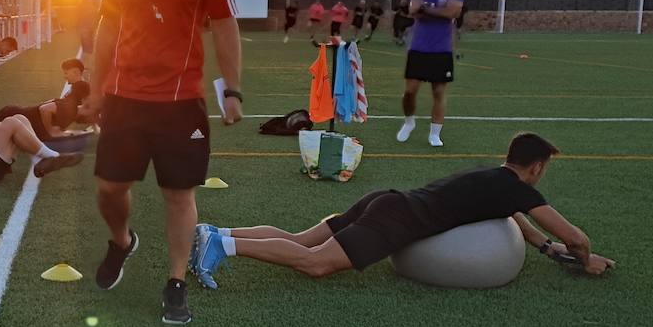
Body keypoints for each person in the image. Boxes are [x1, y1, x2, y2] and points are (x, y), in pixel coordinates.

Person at [88, 0, 243, 325]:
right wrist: (96, 88)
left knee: (179, 194)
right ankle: (122, 241)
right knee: (109, 187)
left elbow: (224, 24)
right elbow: (107, 25)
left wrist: (233, 89)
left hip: (180, 102)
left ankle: (175, 280)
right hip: (124, 96)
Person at [190, 133, 614, 288]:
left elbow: (518, 220)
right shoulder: (518, 190)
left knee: (302, 239)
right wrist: (584, 257)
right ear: (537, 168)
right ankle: (222, 245)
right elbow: (575, 236)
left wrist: (545, 249)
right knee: (315, 264)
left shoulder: (495, 179)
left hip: (387, 199)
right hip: (395, 219)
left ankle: (215, 230)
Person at [397, 0, 463, 147]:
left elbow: (453, 12)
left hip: (441, 50)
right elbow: (413, 10)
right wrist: (437, 12)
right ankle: (409, 122)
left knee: (438, 92)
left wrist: (428, 9)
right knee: (410, 91)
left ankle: (435, 134)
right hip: (419, 47)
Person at [0, 81, 92, 141]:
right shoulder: (69, 106)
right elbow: (44, 109)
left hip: (15, 115)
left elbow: (45, 105)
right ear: (83, 97)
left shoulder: (70, 106)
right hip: (12, 116)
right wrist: (49, 131)